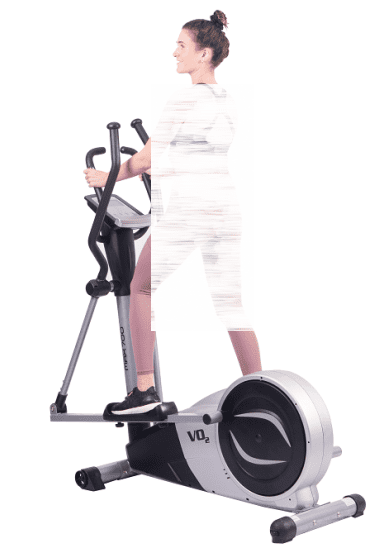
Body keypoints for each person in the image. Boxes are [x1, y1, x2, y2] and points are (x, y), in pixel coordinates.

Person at [84, 11, 262, 414]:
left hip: (190, 210)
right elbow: (193, 152)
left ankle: (144, 390)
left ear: (204, 54)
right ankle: (262, 392)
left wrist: (105, 177)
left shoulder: (184, 99)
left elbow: (145, 159)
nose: (175, 53)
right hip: (225, 209)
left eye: (182, 46)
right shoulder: (227, 101)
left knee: (140, 288)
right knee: (230, 304)